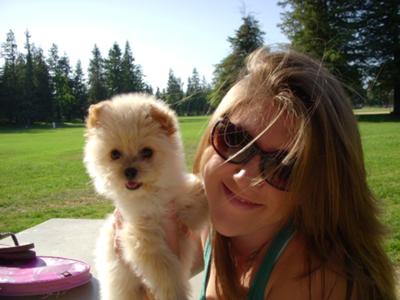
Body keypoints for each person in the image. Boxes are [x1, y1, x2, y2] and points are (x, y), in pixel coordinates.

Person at [116, 48, 397, 299]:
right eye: (235, 139)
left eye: (285, 167)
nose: (245, 178)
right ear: (209, 137)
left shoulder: (315, 281)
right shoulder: (208, 225)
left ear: (318, 186)